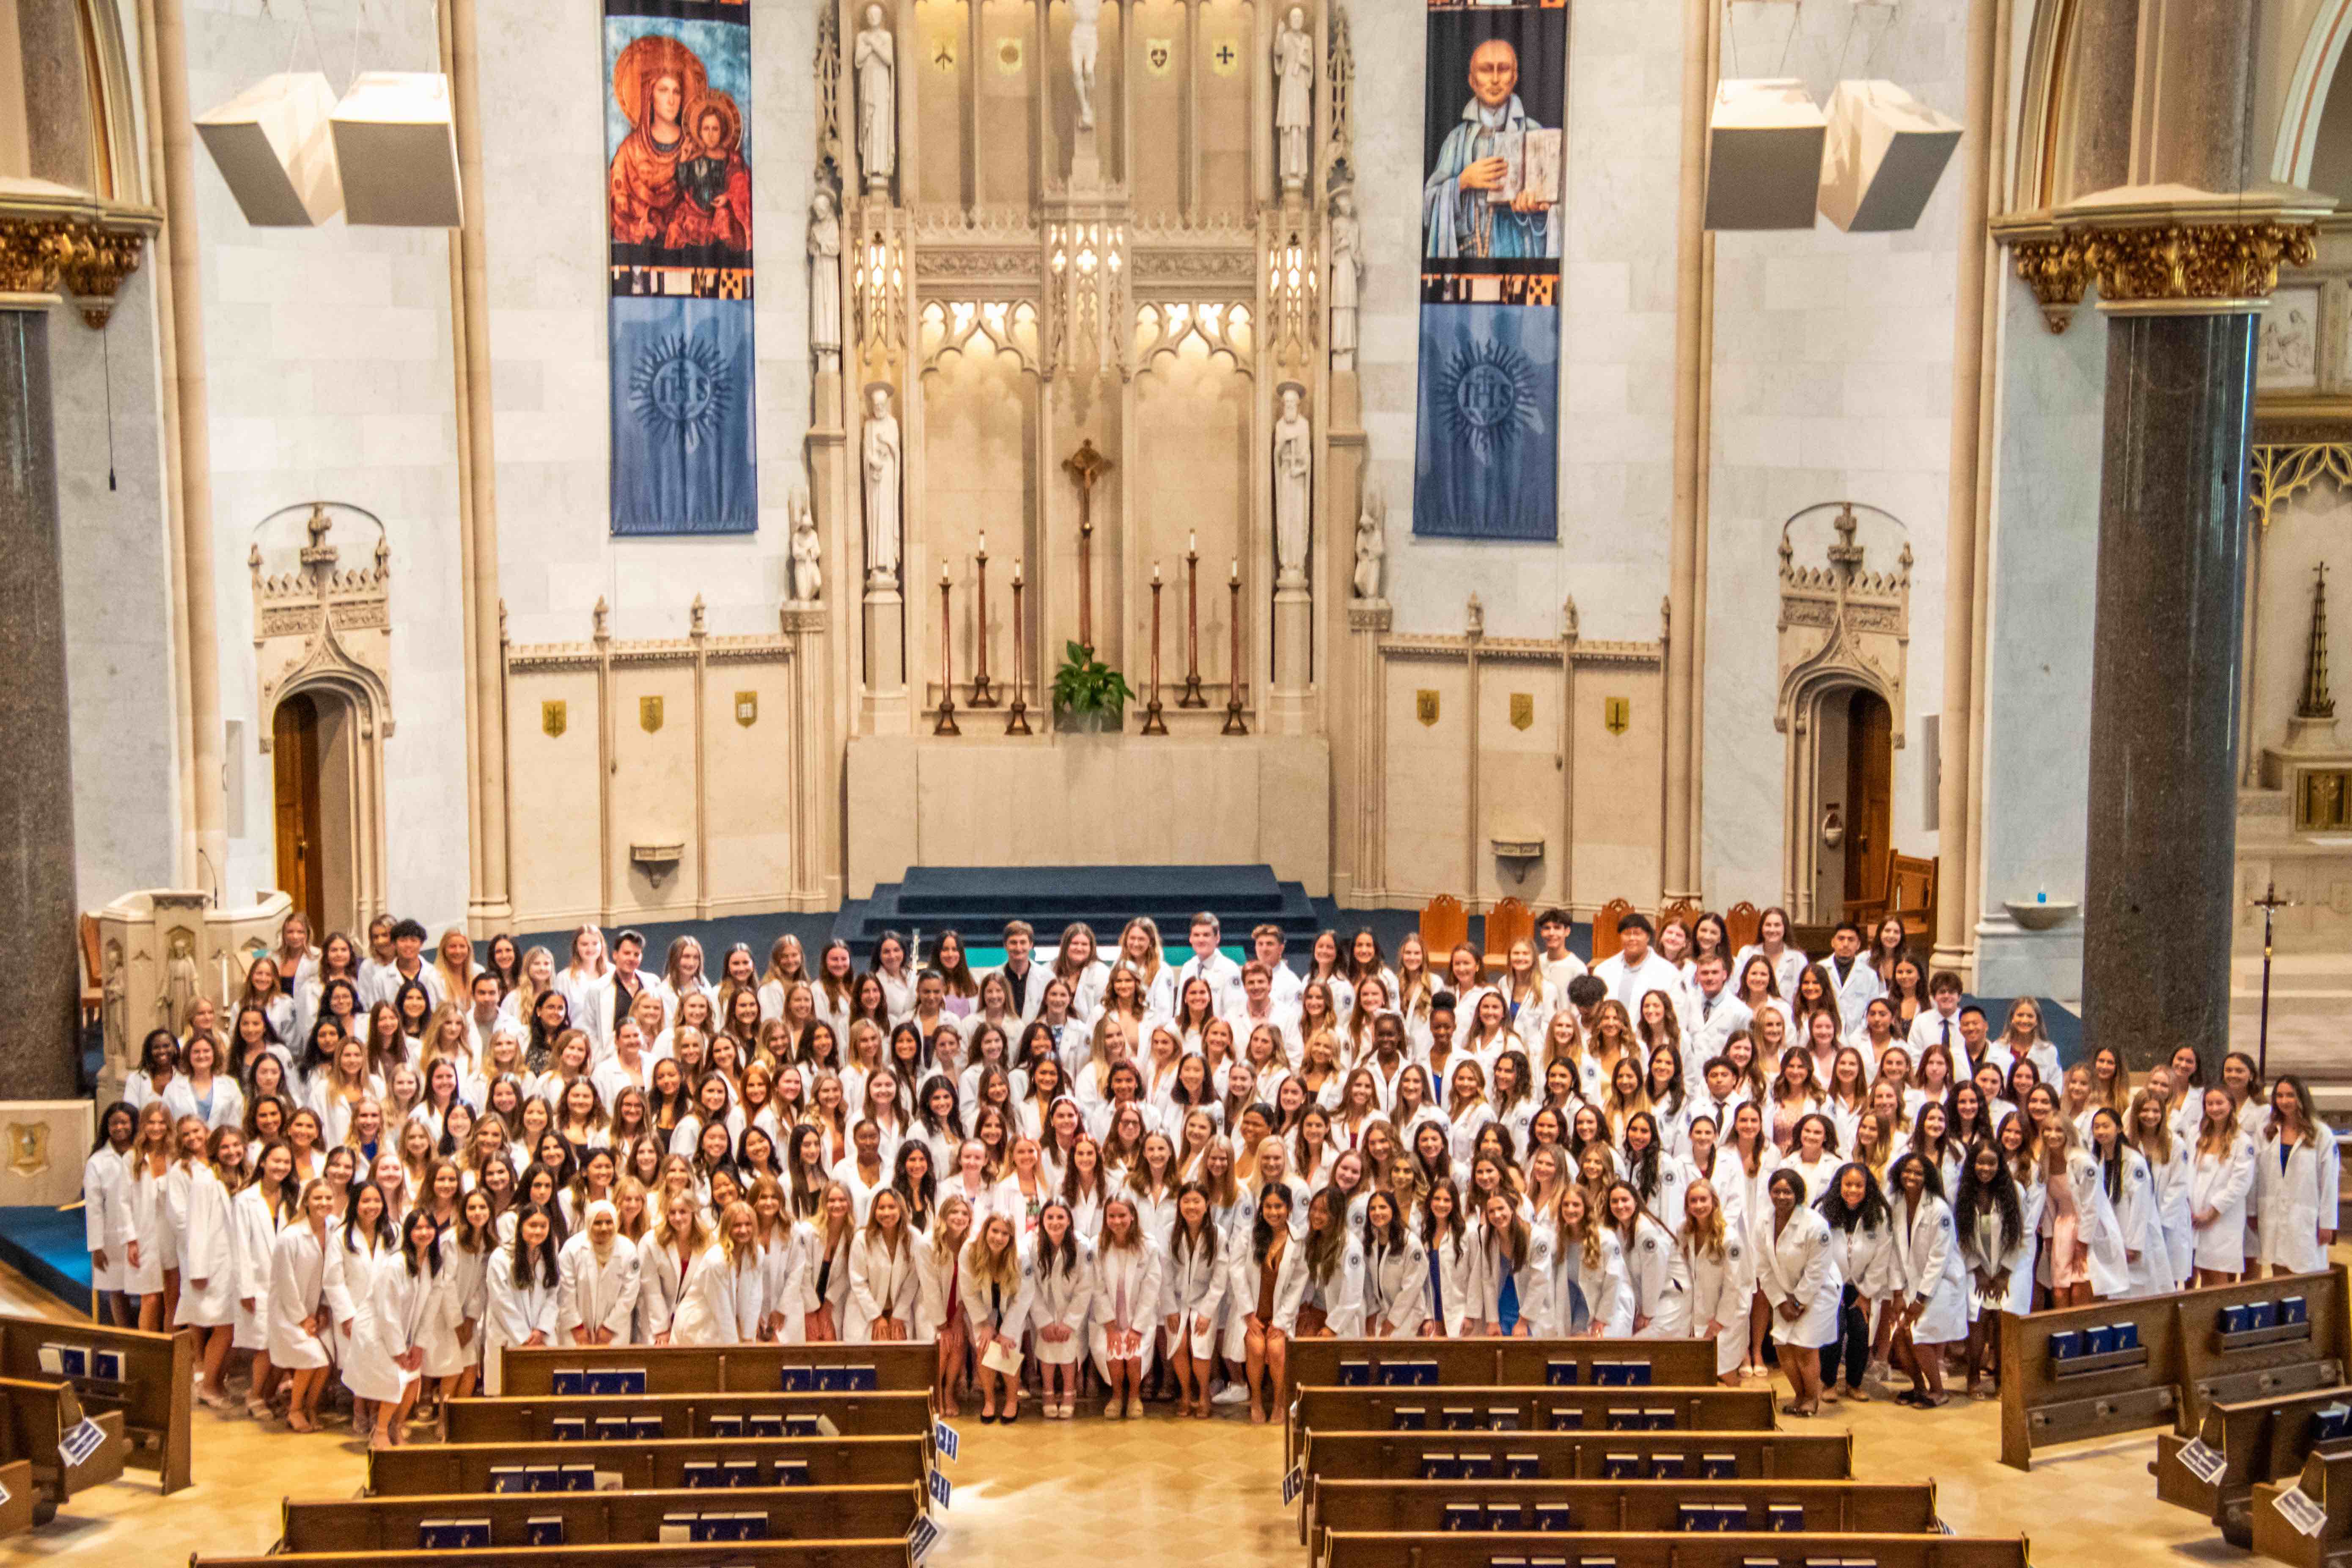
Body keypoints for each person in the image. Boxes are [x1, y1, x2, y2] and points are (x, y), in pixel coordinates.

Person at [1883, 1151, 1965, 1408]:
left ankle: (1938, 1391)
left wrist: (1920, 1299)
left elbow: (1938, 1260)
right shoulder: (1894, 1203)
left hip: (1940, 1284)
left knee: (1919, 1337)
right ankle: (1919, 1388)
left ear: (1928, 1177)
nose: (1911, 1176)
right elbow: (1894, 1251)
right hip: (1909, 1282)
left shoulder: (1939, 1209)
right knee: (1899, 1339)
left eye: (1918, 1173)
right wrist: (1898, 1294)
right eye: (1907, 1171)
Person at [1758, 1168, 1840, 1417]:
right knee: (1783, 1347)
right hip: (1783, 1293)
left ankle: (1811, 1398)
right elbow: (1762, 1266)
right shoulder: (1763, 1221)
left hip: (1818, 1292)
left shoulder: (1815, 1224)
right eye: (1776, 1191)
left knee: (1804, 1347)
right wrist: (1781, 1301)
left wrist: (1800, 1300)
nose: (1781, 1197)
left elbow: (1818, 1268)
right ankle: (1798, 1395)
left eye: (1788, 1192)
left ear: (1799, 1194)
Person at [2253, 1075, 2339, 1278]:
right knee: (2278, 1271)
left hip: (2306, 1214)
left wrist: (2328, 1222)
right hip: (2272, 1212)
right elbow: (2256, 1174)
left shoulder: (2320, 1133)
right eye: (2280, 1096)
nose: (2284, 1101)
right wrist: (2252, 1211)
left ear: (2302, 1098)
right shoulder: (2267, 1131)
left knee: (2304, 1272)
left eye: (2290, 1096)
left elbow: (2329, 1181)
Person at [1027, 1199, 1094, 1420]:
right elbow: (1029, 1285)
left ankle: (1069, 1392)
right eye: (1050, 1217)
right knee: (1046, 1346)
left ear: (1069, 1220)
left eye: (1060, 1217)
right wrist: (1044, 1320)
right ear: (1042, 1220)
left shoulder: (1082, 1246)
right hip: (1042, 1309)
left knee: (1068, 1346)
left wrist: (1070, 1322)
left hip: (1072, 1311)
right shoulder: (1031, 1243)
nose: (1055, 1222)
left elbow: (1085, 1288)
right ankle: (1048, 1393)